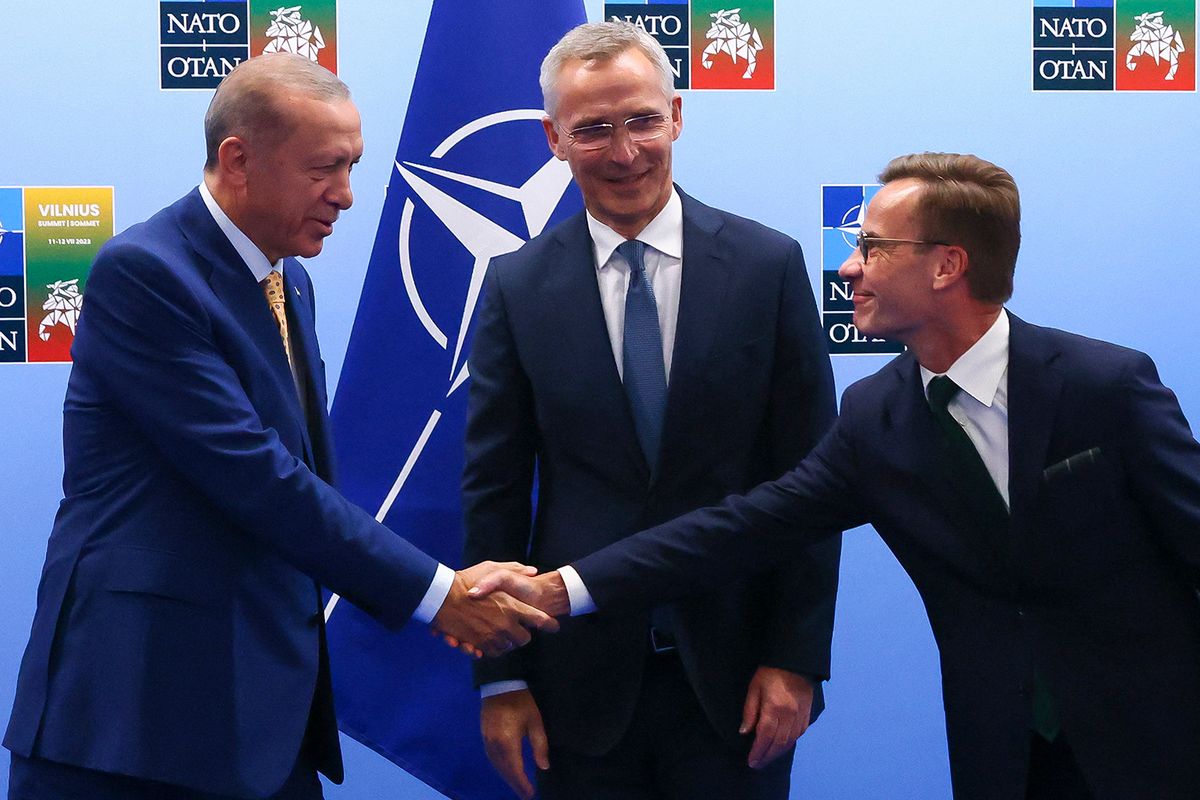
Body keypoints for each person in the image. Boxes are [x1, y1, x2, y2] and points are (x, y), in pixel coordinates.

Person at [473, 153, 1200, 799]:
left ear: (946, 266)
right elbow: (740, 528)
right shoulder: (877, 418)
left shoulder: (1106, 387)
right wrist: (559, 590)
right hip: (1003, 753)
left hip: (1163, 741)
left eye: (873, 248)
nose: (848, 267)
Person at [3, 53, 555, 800]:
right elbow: (258, 476)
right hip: (133, 721)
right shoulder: (147, 273)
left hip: (260, 718)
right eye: (325, 168)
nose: (349, 196)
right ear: (238, 159)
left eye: (354, 165)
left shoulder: (286, 278)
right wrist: (438, 593)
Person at [460, 21, 840, 800]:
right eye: (593, 130)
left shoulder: (768, 267)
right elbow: (493, 492)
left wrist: (796, 657)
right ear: (553, 140)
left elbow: (814, 483)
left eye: (641, 120)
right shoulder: (515, 286)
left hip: (740, 682)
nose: (625, 152)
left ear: (677, 114)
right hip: (577, 687)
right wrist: (500, 681)